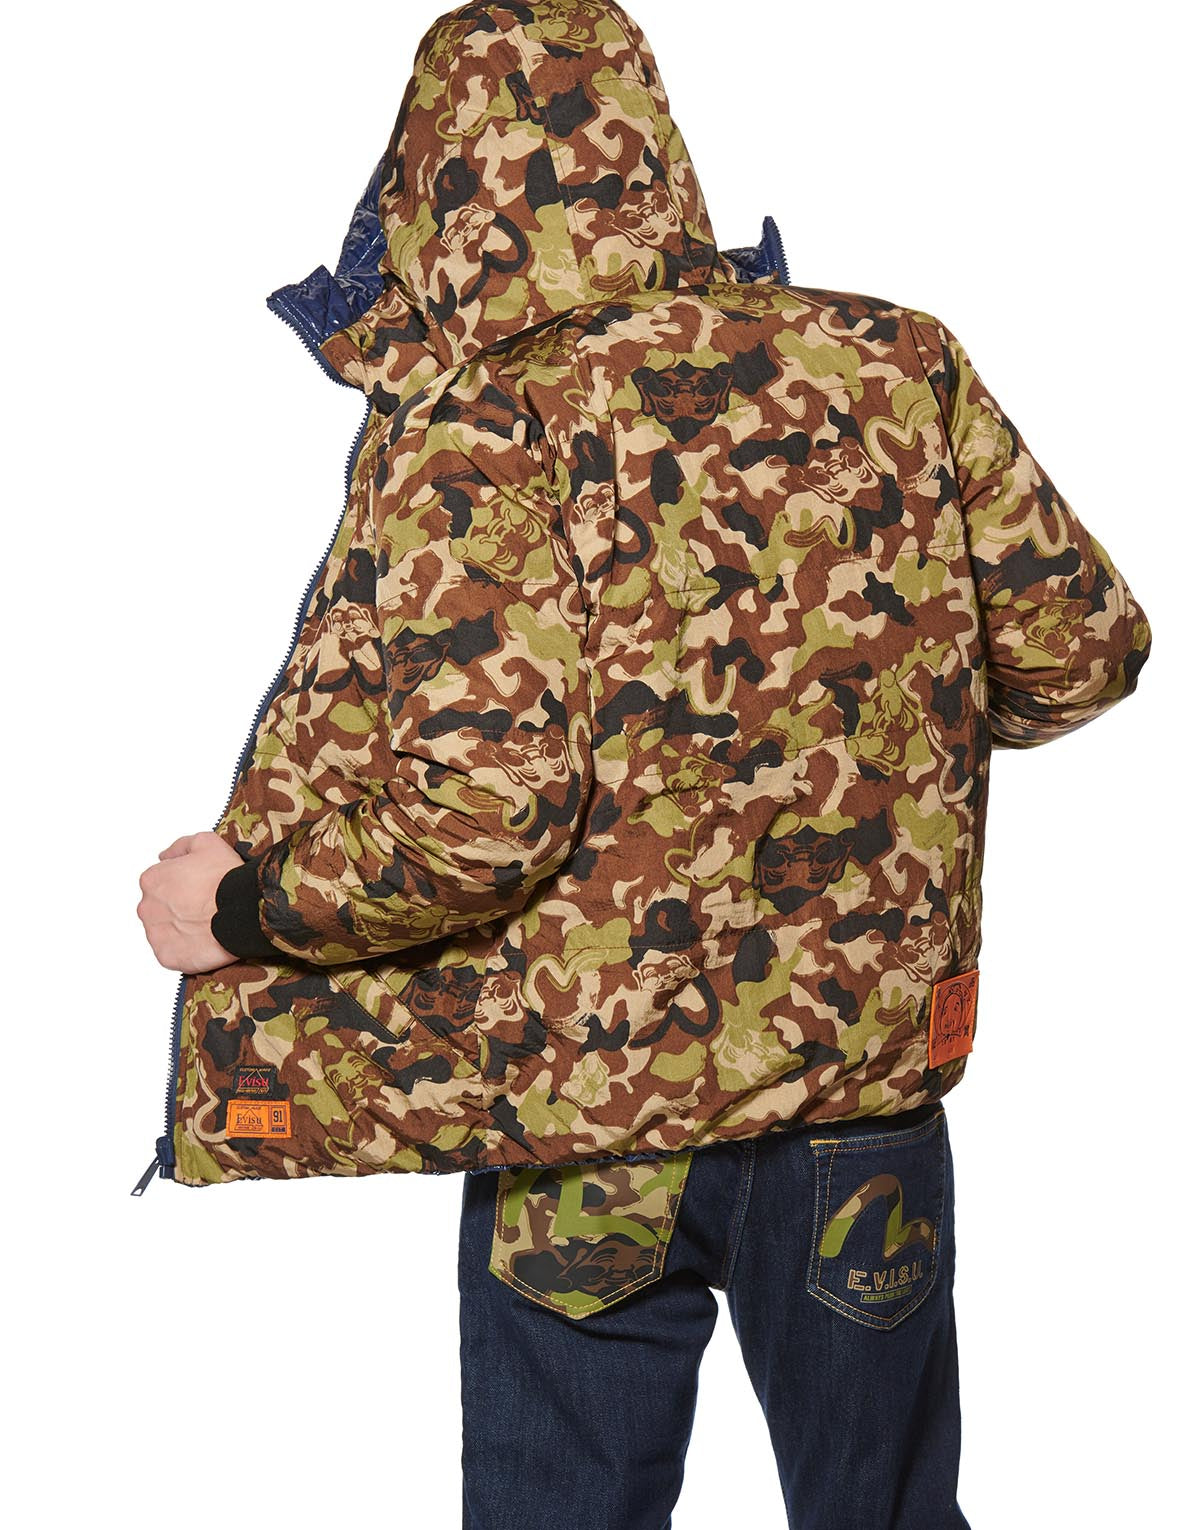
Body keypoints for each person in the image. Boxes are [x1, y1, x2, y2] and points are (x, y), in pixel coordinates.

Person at [136, 3, 1152, 1526]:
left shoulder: (478, 424)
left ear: (427, 181)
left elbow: (483, 820)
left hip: (582, 1120)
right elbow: (1083, 650)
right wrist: (881, 717)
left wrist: (249, 905)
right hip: (858, 1097)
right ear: (651, 150)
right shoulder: (897, 363)